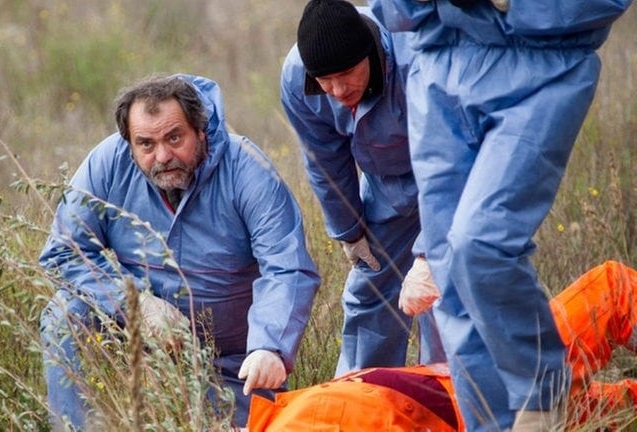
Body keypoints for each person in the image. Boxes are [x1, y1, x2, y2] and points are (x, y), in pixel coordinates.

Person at [367, 0, 634, 429]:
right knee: (449, 280)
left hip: (542, 64)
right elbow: (391, 11)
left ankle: (542, 394)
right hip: (437, 69)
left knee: (481, 243)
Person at [38, 74, 321, 430]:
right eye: (146, 144)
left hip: (232, 362)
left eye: (174, 138)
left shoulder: (247, 169)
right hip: (137, 349)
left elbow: (287, 268)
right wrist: (133, 303)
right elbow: (64, 253)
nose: (163, 156)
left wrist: (269, 347)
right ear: (129, 144)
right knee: (63, 314)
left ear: (200, 130)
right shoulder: (107, 163)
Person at [245, 260, 637, 431]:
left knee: (619, 407)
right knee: (614, 290)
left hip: (477, 388)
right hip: (499, 396)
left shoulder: (275, 418)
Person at [280, 0, 443, 375]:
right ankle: (364, 399)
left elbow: (451, 158)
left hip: (447, 180)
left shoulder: (414, 57)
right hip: (387, 188)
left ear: (370, 54)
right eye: (325, 80)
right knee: (369, 292)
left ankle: (446, 403)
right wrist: (350, 230)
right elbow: (325, 161)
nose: (337, 90)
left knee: (442, 295)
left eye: (347, 74)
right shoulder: (297, 79)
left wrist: (431, 252)